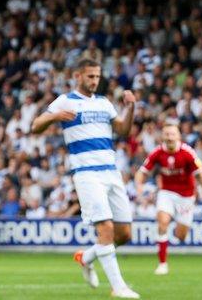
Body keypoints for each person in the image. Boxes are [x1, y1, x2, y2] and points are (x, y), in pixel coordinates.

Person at [31, 58, 140, 299]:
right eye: (90, 76)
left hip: (111, 172)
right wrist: (54, 116)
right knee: (106, 228)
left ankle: (86, 257)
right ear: (78, 76)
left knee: (124, 234)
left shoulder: (104, 102)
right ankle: (118, 287)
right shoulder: (65, 101)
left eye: (97, 76)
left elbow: (122, 129)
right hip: (87, 174)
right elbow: (35, 125)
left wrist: (130, 108)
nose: (94, 81)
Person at [134, 123, 202, 275]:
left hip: (186, 196)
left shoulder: (187, 152)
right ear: (162, 136)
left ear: (178, 136)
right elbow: (142, 172)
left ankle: (178, 226)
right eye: (167, 134)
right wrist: (139, 186)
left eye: (172, 134)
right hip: (166, 193)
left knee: (181, 235)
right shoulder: (157, 152)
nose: (170, 137)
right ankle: (162, 263)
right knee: (163, 222)